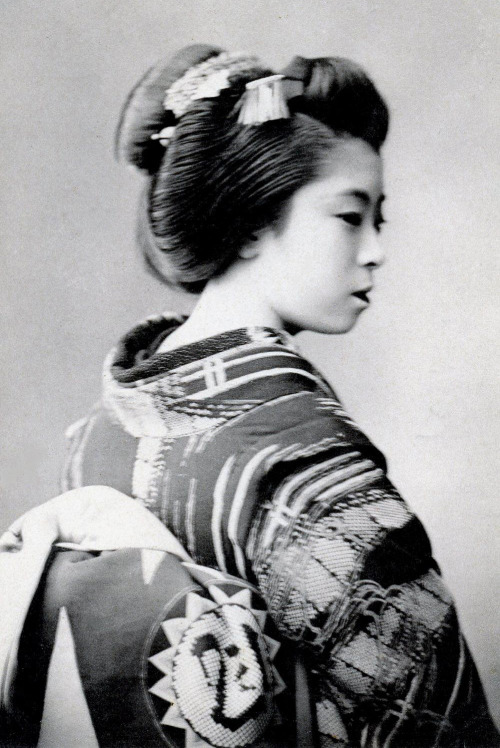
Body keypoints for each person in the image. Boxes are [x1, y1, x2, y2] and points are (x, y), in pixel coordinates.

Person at [1, 44, 498, 747]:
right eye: (349, 216)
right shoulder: (299, 454)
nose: (376, 250)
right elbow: (434, 719)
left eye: (377, 221)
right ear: (257, 217)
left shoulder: (96, 436)